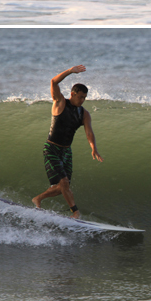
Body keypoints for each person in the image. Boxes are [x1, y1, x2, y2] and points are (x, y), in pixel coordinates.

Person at [32, 65, 103, 220]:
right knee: (63, 182)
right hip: (51, 148)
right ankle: (75, 212)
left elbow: (89, 132)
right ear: (73, 94)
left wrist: (93, 148)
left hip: (66, 151)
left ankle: (38, 198)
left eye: (85, 98)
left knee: (62, 187)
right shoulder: (60, 102)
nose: (82, 100)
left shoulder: (84, 114)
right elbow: (53, 82)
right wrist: (70, 71)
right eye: (80, 97)